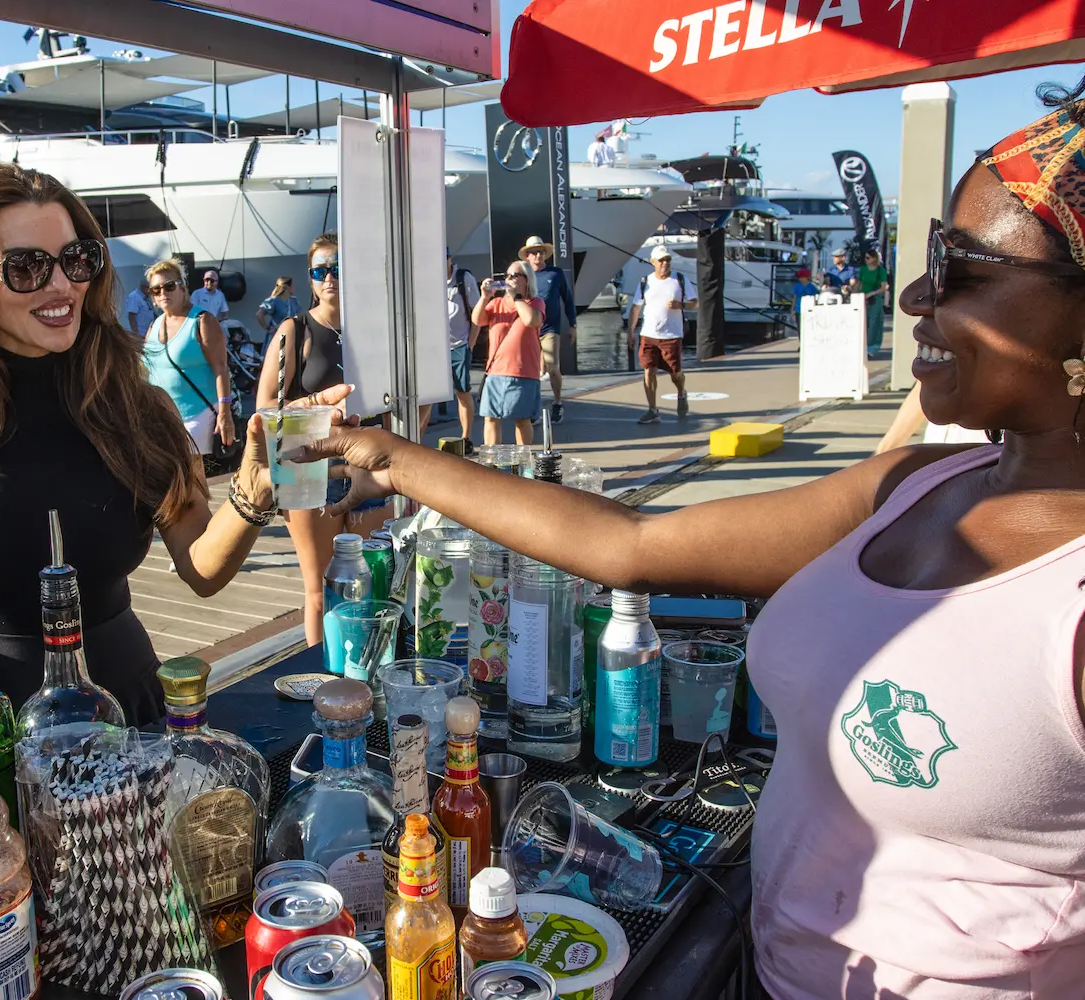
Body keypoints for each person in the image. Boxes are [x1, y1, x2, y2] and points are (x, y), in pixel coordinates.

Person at [295, 94, 1085, 999]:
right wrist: (390, 459)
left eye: (962, 268)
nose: (914, 294)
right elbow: (631, 545)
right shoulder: (913, 483)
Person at [0, 165, 349, 724]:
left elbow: (202, 569)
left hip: (127, 721)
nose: (62, 286)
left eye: (77, 260)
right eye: (27, 266)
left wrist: (256, 485)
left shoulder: (137, 408)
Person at [255, 232, 387, 647]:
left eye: (338, 268)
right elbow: (265, 405)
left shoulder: (376, 330)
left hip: (368, 461)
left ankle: (360, 679)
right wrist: (318, 405)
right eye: (320, 270)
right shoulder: (294, 330)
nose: (330, 277)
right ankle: (318, 684)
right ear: (310, 279)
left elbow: (404, 396)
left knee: (368, 587)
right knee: (319, 592)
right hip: (308, 466)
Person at [141, 258, 236, 459]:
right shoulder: (154, 325)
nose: (163, 293)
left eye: (169, 286)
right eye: (156, 290)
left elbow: (221, 368)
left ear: (183, 288)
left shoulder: (202, 321)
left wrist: (225, 414)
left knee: (190, 477)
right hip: (163, 418)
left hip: (198, 414)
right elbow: (145, 370)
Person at [474, 259, 544, 445]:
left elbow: (531, 320)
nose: (509, 279)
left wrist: (517, 297)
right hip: (496, 371)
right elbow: (477, 320)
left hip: (523, 372)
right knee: (490, 418)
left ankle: (522, 463)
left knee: (522, 420)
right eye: (507, 276)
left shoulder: (535, 302)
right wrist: (484, 297)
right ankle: (493, 464)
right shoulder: (497, 303)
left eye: (514, 276)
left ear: (526, 279)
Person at [627, 244, 697, 424]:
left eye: (668, 260)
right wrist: (631, 332)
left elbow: (695, 303)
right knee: (648, 371)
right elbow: (636, 307)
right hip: (648, 334)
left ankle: (681, 392)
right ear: (653, 262)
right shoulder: (645, 282)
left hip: (671, 335)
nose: (665, 263)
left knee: (675, 373)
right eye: (661, 260)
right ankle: (652, 410)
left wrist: (680, 305)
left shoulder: (679, 280)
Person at [419, 249, 481, 445]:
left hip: (459, 345)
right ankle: (417, 442)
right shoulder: (428, 281)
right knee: (427, 397)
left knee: (462, 392)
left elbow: (477, 314)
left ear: (449, 259)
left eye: (443, 258)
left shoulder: (463, 278)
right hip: (434, 348)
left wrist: (469, 344)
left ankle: (466, 437)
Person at [520, 236, 575, 424]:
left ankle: (558, 402)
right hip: (529, 328)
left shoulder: (555, 273)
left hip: (550, 328)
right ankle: (534, 407)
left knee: (552, 366)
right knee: (532, 371)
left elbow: (567, 299)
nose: (538, 255)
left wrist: (573, 325)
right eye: (534, 252)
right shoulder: (524, 276)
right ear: (527, 256)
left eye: (541, 252)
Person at [858, 246, 890, 359]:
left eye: (868, 258)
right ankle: (862, 345)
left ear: (873, 259)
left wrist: (871, 294)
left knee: (873, 322)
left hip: (875, 299)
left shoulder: (880, 271)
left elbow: (883, 287)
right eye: (865, 258)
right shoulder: (863, 269)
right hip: (863, 297)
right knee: (863, 322)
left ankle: (871, 347)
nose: (866, 260)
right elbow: (859, 283)